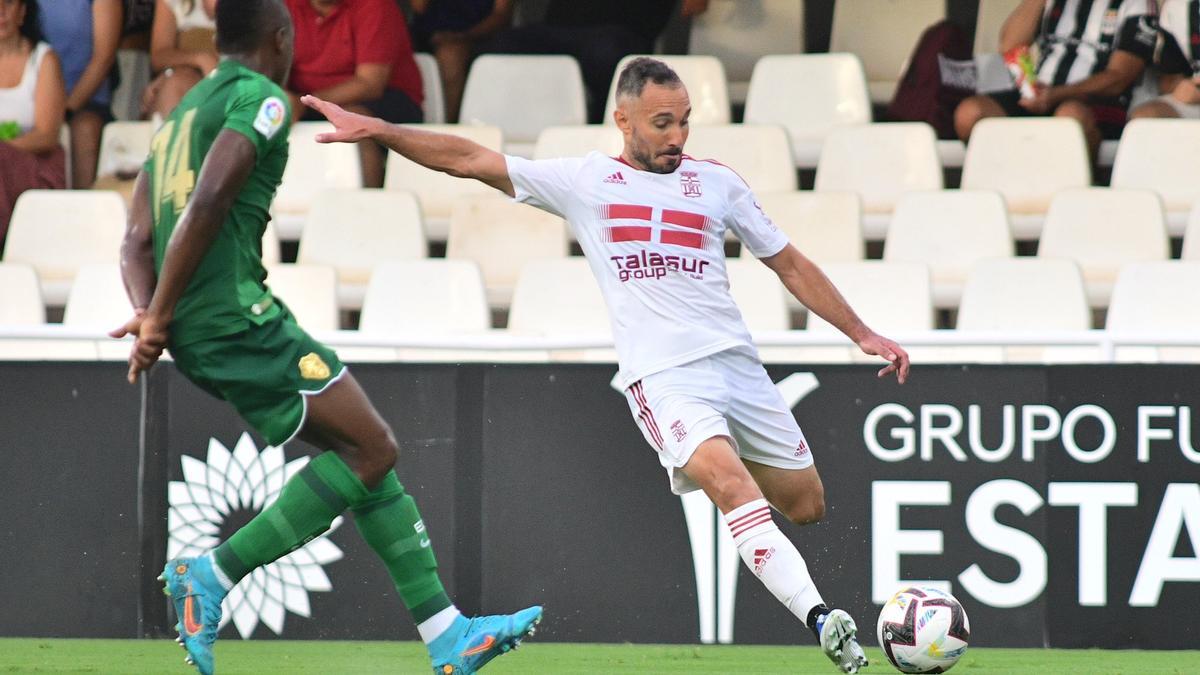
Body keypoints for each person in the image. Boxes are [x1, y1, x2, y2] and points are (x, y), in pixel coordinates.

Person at [305, 56, 909, 674]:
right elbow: (469, 160)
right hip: (665, 377)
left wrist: (859, 332)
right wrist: (381, 130)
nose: (677, 137)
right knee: (732, 487)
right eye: (662, 123)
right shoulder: (587, 183)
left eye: (685, 123)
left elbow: (790, 264)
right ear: (623, 121)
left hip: (738, 367)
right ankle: (821, 618)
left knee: (807, 505)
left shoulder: (717, 183)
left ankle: (725, 466)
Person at [109, 2, 540, 673]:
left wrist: (150, 313)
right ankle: (213, 573)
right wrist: (158, 315)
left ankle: (448, 633)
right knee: (373, 446)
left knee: (363, 450)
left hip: (207, 326)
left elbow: (135, 237)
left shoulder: (179, 117)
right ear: (281, 41)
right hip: (236, 317)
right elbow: (212, 197)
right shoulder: (263, 100)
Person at [954, 0, 1159, 155]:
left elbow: (1119, 77)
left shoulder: (1135, 4)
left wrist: (1056, 95)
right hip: (1041, 93)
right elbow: (1010, 46)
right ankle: (1007, 184)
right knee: (970, 113)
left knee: (1069, 118)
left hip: (1094, 101)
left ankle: (1070, 194)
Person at [479, 0, 707, 123]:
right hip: (561, 28)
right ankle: (516, 128)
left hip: (624, 32)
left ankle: (601, 128)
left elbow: (694, 7)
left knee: (606, 51)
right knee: (502, 44)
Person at [285, 0, 423, 188]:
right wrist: (284, 99)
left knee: (353, 120)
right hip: (308, 100)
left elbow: (370, 84)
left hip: (385, 101)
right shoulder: (283, 7)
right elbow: (269, 70)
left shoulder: (376, 5)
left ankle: (367, 207)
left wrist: (306, 103)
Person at [0, 0, 66, 248]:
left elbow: (47, 134)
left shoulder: (43, 59)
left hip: (36, 166)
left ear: (23, 11)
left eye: (8, 3)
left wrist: (5, 150)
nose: (1, 12)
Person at [38, 0, 121, 188]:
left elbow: (103, 58)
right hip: (28, 101)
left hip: (83, 103)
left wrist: (65, 111)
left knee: (85, 129)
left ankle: (82, 209)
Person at [409, 0, 512, 123]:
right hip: (430, 34)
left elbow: (501, 15)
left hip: (481, 36)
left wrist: (464, 36)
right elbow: (419, 7)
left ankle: (446, 127)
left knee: (450, 55)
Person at [142, 0, 218, 120]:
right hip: (187, 76)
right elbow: (159, 56)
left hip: (238, 74)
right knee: (175, 86)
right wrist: (201, 59)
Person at [1130, 0, 1200, 118]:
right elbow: (1168, 81)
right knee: (1145, 117)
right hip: (1195, 100)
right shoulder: (1176, 7)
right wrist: (1184, 87)